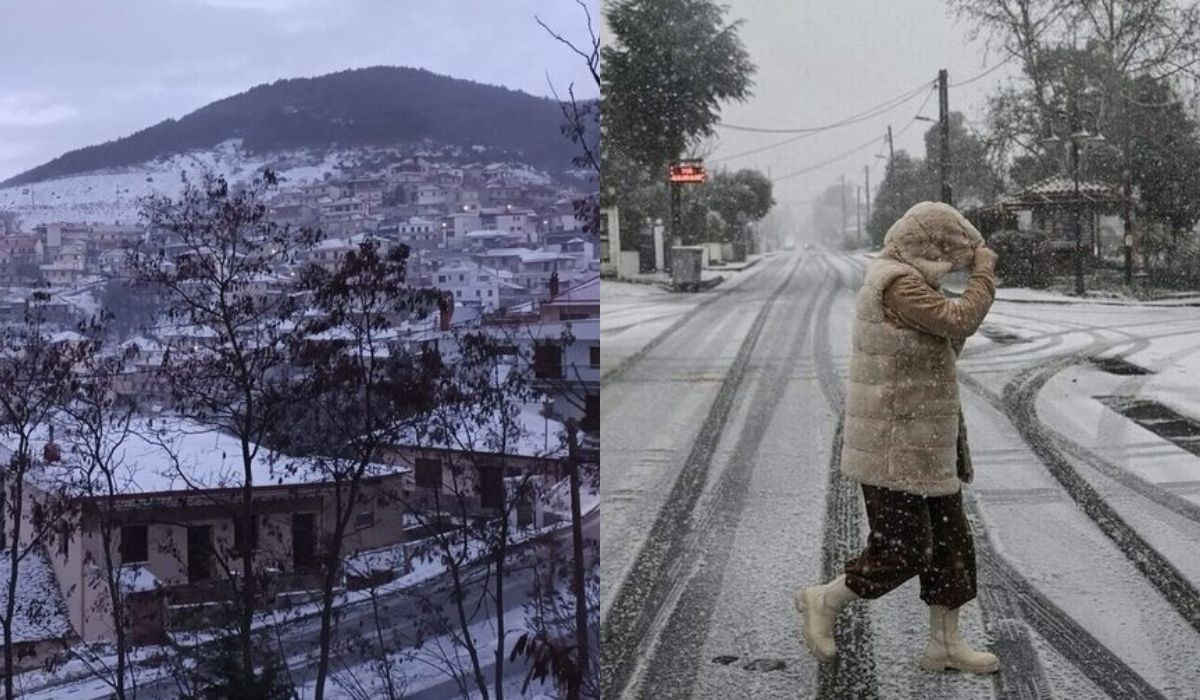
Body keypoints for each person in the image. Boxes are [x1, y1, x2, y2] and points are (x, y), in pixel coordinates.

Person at [795, 201, 1000, 674]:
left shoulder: (912, 282)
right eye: (951, 253)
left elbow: (945, 341)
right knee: (902, 549)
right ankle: (824, 599)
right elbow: (959, 320)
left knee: (951, 546)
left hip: (928, 441)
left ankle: (944, 644)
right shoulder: (897, 282)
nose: (957, 263)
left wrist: (965, 290)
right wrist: (983, 276)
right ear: (930, 246)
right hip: (894, 447)